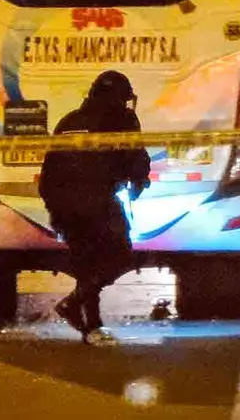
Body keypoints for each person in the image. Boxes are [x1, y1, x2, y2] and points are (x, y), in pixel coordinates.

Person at [38, 70, 151, 343]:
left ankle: (92, 327)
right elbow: (135, 159)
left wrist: (55, 209)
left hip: (64, 207)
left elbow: (49, 172)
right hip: (99, 204)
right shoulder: (121, 121)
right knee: (121, 256)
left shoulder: (69, 121)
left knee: (87, 266)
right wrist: (138, 181)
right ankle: (72, 303)